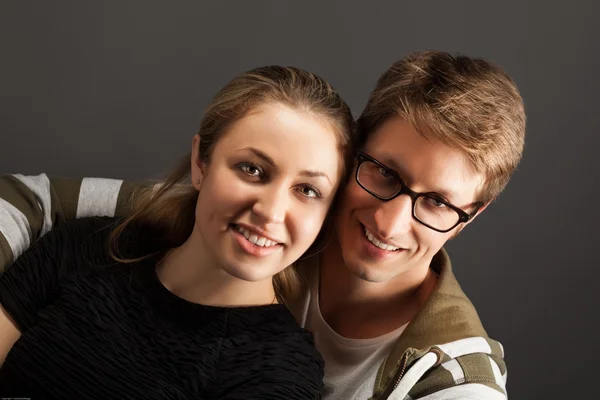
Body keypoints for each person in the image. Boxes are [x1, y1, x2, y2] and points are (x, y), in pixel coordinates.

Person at [0, 50, 526, 399]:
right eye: (385, 173)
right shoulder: (202, 223)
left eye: (436, 202)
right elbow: (35, 199)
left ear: (467, 219)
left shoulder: (457, 383)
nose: (389, 221)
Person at [0, 65, 357, 399]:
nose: (271, 212)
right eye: (251, 169)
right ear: (200, 163)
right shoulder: (86, 245)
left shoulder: (279, 373)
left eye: (308, 191)